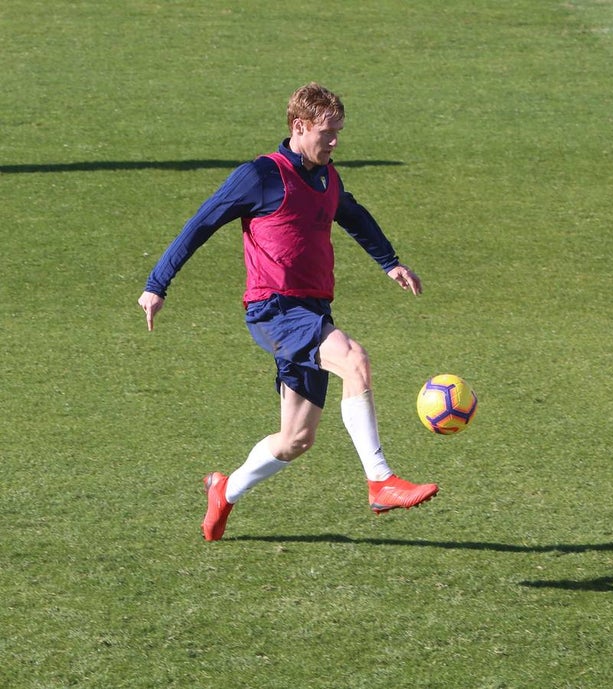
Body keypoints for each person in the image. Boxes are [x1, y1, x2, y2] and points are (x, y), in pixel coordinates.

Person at [138, 82, 439, 541]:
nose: (336, 141)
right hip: (274, 309)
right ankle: (380, 480)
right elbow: (201, 222)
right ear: (299, 127)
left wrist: (390, 261)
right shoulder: (261, 174)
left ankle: (224, 490)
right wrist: (157, 284)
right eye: (328, 132)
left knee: (296, 440)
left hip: (312, 309)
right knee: (354, 360)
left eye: (339, 131)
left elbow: (353, 214)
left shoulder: (326, 177)